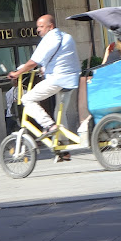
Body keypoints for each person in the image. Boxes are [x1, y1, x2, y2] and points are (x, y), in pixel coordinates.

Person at [7, 14, 81, 144]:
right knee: (59, 112)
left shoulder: (50, 38)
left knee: (27, 99)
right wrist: (45, 68)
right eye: (37, 27)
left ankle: (48, 125)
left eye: (41, 26)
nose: (38, 30)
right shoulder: (66, 37)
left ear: (50, 26)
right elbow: (61, 58)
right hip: (71, 80)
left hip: (57, 80)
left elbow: (33, 62)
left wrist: (17, 73)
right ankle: (63, 147)